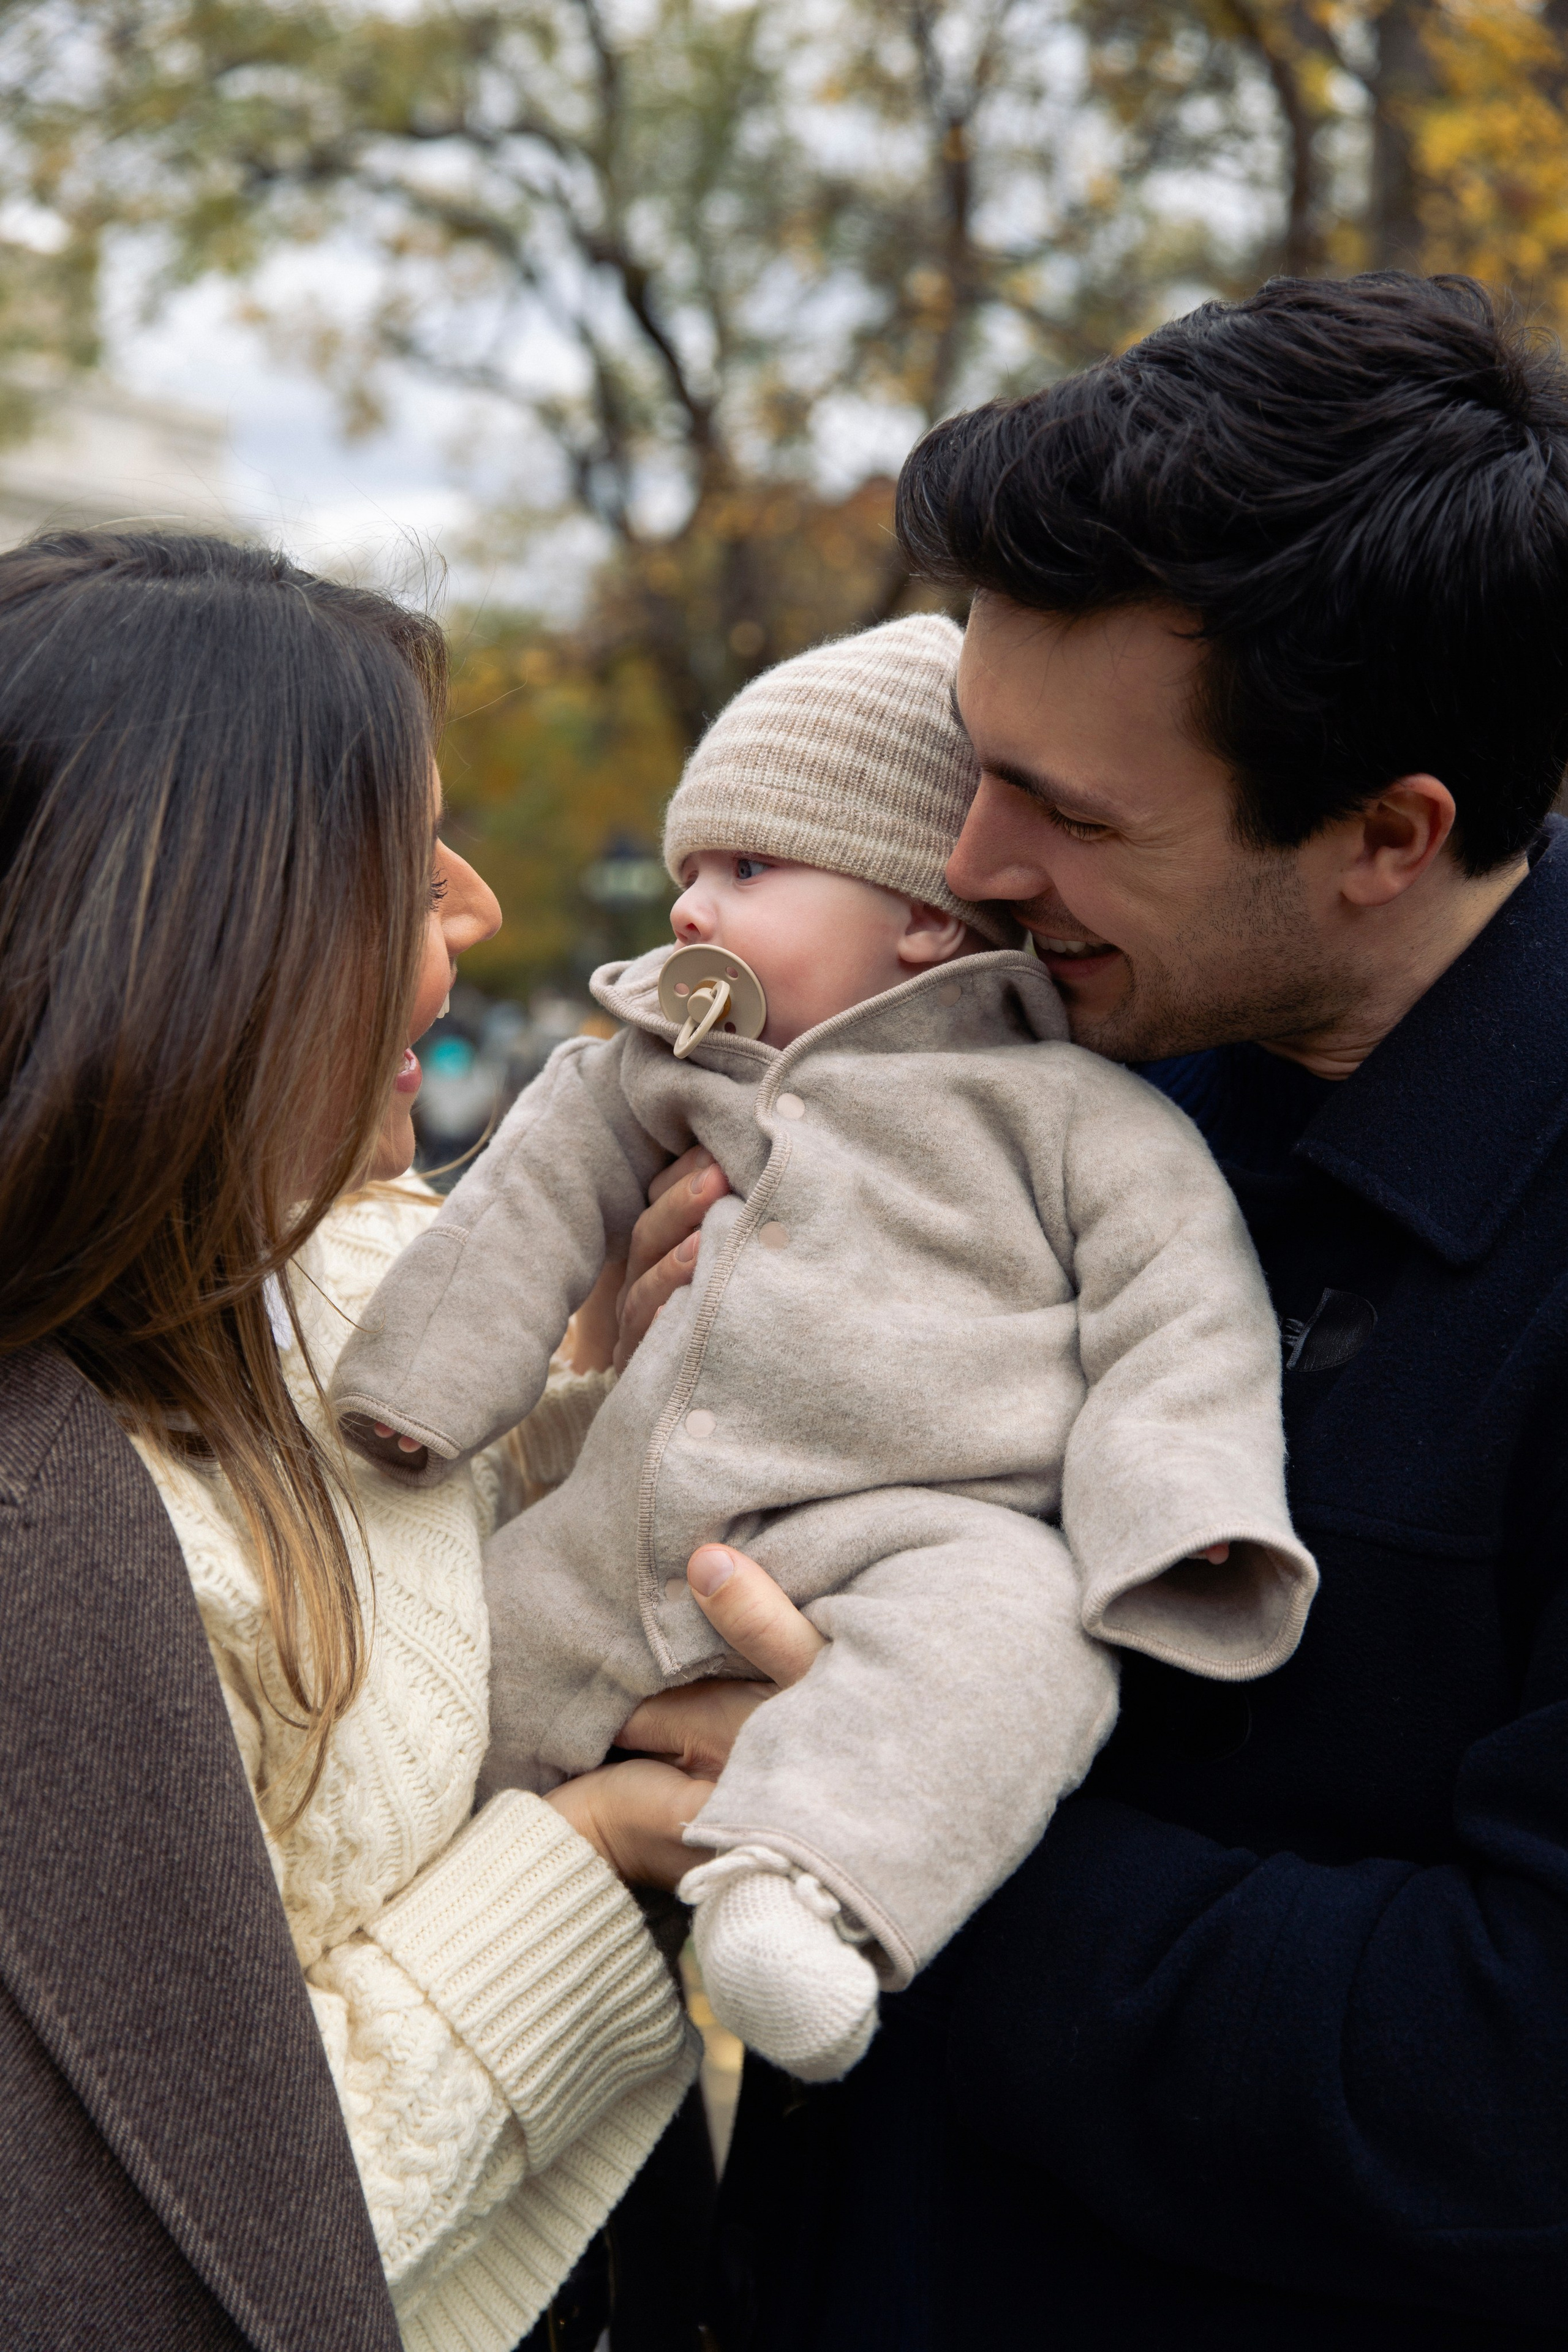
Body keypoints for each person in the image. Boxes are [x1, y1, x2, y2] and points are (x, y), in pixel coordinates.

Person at [589, 271, 1568, 2346]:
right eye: (979, 759)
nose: (968, 858)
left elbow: (1515, 2087)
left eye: (1076, 814)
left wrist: (871, 1806)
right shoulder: (1030, 1082)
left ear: (1391, 834)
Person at [328, 612, 1314, 2087]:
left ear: (923, 916)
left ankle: (804, 1891)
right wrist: (425, 1391)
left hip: (914, 1527)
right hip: (632, 1513)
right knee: (459, 1666)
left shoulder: (1067, 1116)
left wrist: (1182, 1534)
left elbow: (1182, 1324)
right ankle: (362, 1916)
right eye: (685, 874)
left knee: (1012, 1647)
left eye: (747, 870)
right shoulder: (651, 1075)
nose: (687, 911)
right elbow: (526, 1208)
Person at [0, 528, 753, 2352]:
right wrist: (604, 1849)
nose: (480, 906)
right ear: (211, 945)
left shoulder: (355, 1280)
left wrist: (617, 1379)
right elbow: (169, 2219)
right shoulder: (55, 1542)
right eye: (404, 870)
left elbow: (436, 1572)